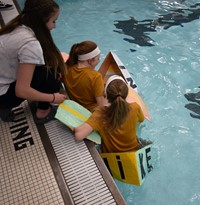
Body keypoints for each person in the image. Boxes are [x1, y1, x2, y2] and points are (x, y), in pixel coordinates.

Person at [0, 0, 67, 124]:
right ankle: (42, 112)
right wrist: (53, 97)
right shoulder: (30, 44)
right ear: (42, 21)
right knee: (52, 74)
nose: (54, 26)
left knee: (48, 62)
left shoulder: (17, 26)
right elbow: (21, 91)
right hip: (3, 96)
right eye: (53, 21)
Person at [74, 75, 145, 153]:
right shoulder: (135, 107)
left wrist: (73, 126)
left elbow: (79, 135)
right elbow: (141, 120)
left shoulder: (101, 113)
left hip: (111, 154)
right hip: (134, 150)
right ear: (127, 94)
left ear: (105, 94)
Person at [63, 40, 105, 112]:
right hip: (89, 112)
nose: (99, 61)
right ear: (90, 61)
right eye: (98, 58)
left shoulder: (67, 68)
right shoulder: (96, 77)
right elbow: (101, 106)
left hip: (75, 107)